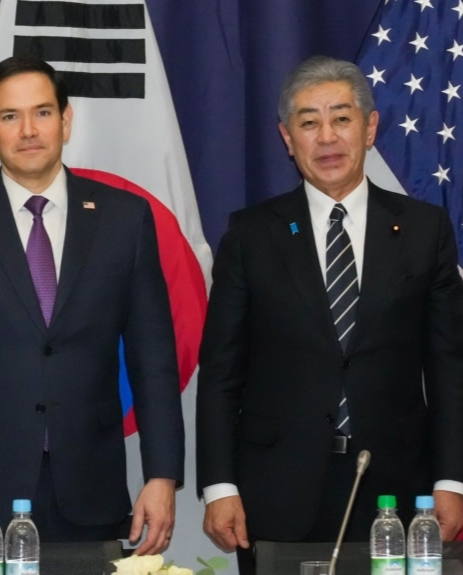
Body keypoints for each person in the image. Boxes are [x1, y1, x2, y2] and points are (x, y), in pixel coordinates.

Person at [0, 56, 184, 555]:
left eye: (43, 113)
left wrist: (162, 476)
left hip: (90, 488)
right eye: (10, 116)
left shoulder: (124, 219)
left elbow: (153, 358)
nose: (28, 130)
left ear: (66, 120)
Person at [196, 55, 463, 574]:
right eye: (308, 123)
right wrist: (219, 486)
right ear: (287, 138)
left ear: (370, 128)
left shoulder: (423, 230)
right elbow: (222, 372)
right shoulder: (251, 235)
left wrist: (451, 480)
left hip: (396, 492)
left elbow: (450, 367)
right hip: (275, 491)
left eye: (341, 118)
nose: (327, 137)